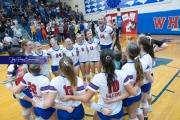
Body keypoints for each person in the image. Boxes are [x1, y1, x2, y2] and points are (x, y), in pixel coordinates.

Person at [61, 49, 140, 120]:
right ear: (113, 60)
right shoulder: (122, 73)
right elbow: (132, 92)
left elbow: (86, 99)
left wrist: (70, 96)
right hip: (117, 111)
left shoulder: (98, 78)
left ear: (100, 62)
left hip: (103, 111)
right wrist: (137, 84)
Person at [137, 36, 155, 120]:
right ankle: (145, 116)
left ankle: (142, 117)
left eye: (137, 43)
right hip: (147, 83)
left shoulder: (143, 59)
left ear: (140, 46)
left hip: (143, 83)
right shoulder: (148, 56)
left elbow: (144, 73)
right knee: (144, 101)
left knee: (137, 106)